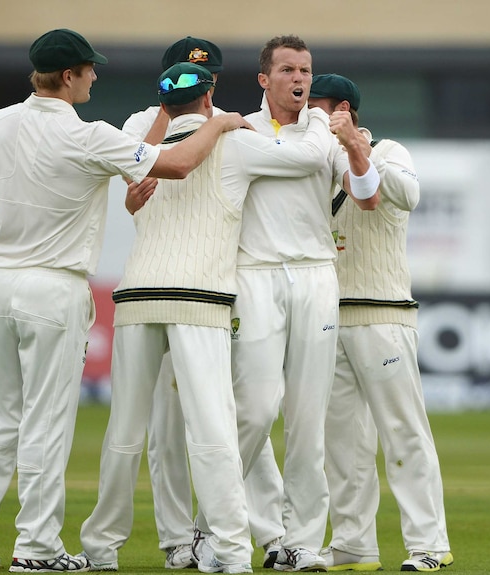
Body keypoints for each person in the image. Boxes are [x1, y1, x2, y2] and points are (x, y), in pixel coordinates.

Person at [0, 29, 251, 573]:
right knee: (45, 422)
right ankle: (36, 548)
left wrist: (31, 208)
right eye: (89, 70)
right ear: (68, 76)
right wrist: (223, 121)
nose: (94, 76)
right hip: (52, 286)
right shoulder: (88, 136)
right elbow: (176, 164)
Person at [79, 62, 332, 574]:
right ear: (210, 93)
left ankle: (100, 550)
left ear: (163, 103)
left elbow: (144, 174)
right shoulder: (235, 140)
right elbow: (308, 157)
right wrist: (319, 120)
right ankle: (234, 553)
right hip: (199, 299)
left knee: (125, 432)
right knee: (214, 432)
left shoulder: (145, 146)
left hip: (136, 298)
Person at [201, 35, 379, 573]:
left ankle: (300, 540)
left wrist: (352, 145)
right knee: (254, 409)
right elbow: (285, 165)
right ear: (264, 79)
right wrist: (324, 146)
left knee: (307, 417)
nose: (299, 79)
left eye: (305, 70)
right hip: (253, 274)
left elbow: (367, 196)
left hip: (315, 274)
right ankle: (216, 528)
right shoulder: (241, 129)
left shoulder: (329, 130)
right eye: (287, 70)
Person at [121, 36, 286, 570]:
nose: (201, 81)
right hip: (166, 281)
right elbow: (136, 173)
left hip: (223, 284)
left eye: (206, 72)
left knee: (239, 414)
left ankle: (243, 530)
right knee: (166, 426)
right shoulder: (142, 121)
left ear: (216, 78)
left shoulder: (241, 125)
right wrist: (181, 120)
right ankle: (177, 540)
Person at [306, 73, 454, 573]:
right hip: (330, 320)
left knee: (403, 433)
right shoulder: (314, 163)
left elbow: (407, 196)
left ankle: (428, 544)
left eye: (318, 107)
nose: (309, 115)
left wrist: (355, 146)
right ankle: (353, 544)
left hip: (384, 315)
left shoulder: (390, 151)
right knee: (343, 443)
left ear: (344, 109)